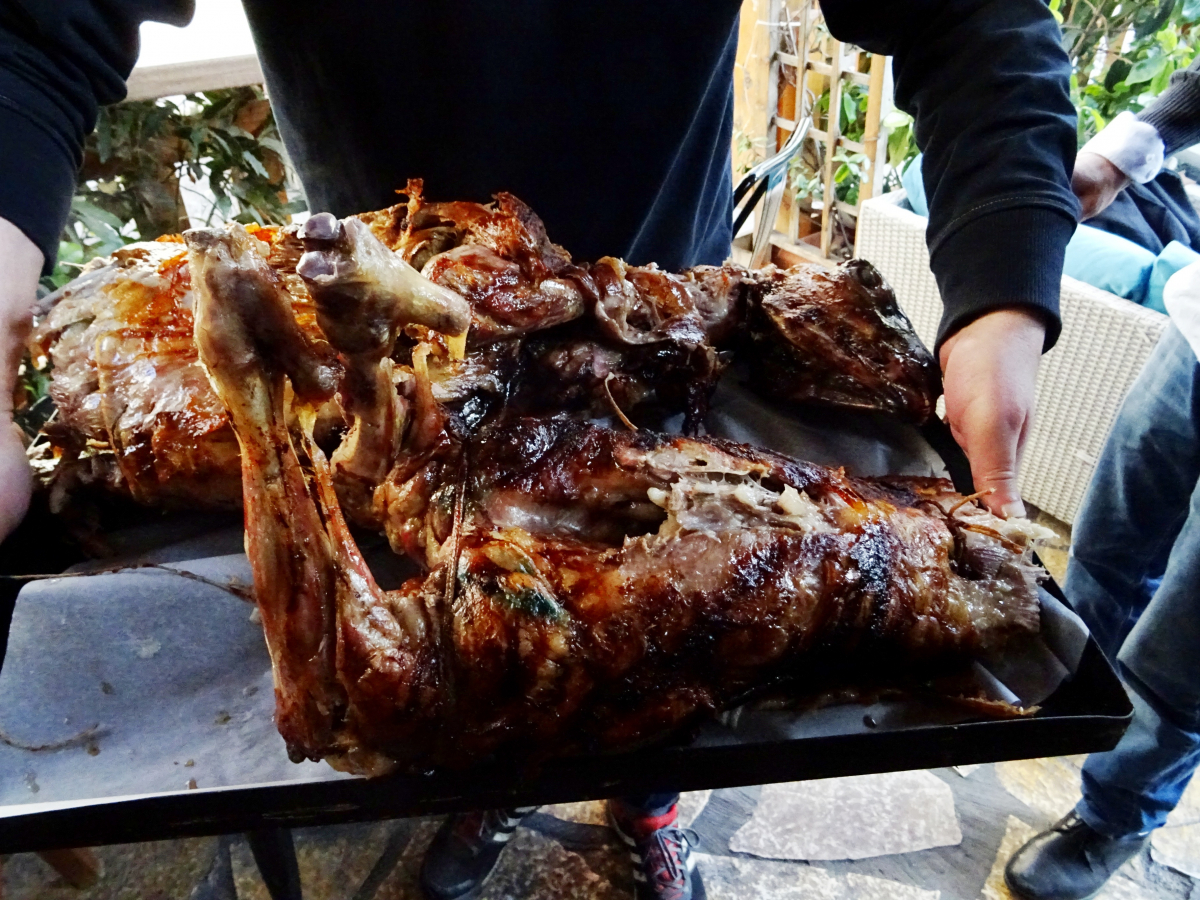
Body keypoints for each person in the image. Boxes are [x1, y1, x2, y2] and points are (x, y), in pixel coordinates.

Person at [1, 3, 1080, 898]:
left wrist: (1002, 288)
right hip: (374, 288)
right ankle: (483, 796)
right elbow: (41, 21)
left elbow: (971, 16)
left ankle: (643, 805)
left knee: (644, 644)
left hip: (645, 281)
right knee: (483, 660)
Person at [1005, 59, 1200, 900]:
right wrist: (1126, 151)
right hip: (1196, 337)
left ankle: (1113, 814)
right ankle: (1066, 685)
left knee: (1183, 648)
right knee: (1111, 541)